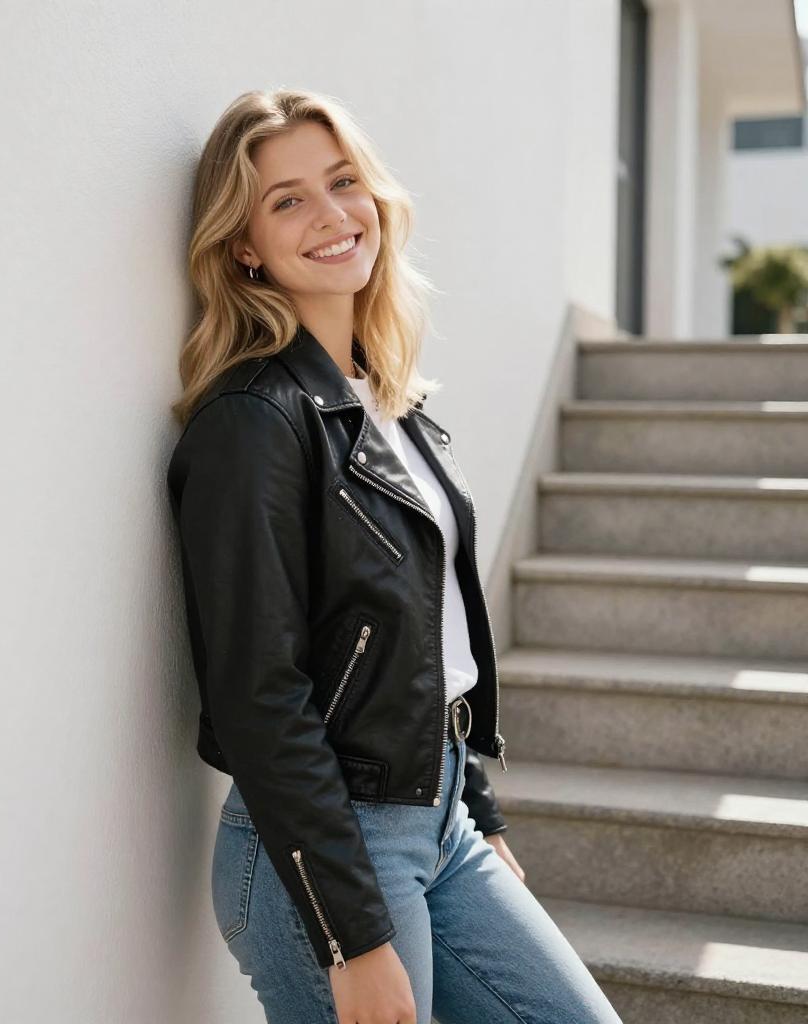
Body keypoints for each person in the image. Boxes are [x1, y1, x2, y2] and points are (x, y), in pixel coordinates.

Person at [166, 88, 622, 1024]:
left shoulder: (386, 401)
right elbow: (259, 695)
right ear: (243, 244)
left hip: (438, 817)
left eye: (343, 182)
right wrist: (349, 932)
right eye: (287, 199)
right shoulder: (253, 421)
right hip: (330, 848)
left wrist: (477, 812)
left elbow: (417, 636)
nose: (333, 215)